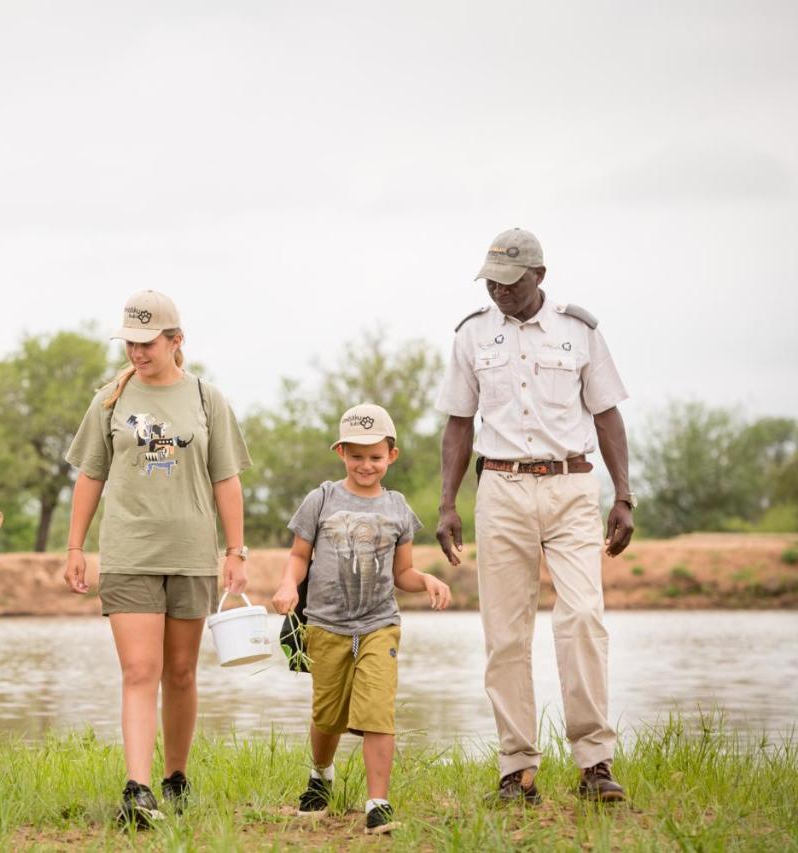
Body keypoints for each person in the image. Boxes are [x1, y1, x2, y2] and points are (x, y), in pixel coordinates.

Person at [435, 228, 635, 804]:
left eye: (509, 284)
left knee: (582, 620)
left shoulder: (580, 331)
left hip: (572, 487)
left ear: (539, 277)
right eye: (491, 283)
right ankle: (516, 769)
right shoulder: (473, 334)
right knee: (504, 632)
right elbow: (457, 422)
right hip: (499, 488)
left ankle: (595, 763)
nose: (499, 293)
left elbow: (607, 415)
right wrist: (448, 505)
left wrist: (623, 495)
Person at [62, 290, 252, 828]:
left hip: (192, 554)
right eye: (130, 343)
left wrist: (235, 550)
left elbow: (227, 479)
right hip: (128, 552)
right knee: (139, 670)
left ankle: (176, 777)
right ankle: (137, 789)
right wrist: (75, 547)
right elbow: (90, 476)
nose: (137, 352)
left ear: (175, 340)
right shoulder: (109, 400)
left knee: (183, 672)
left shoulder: (207, 398)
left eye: (147, 343)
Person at [272, 404, 451, 835]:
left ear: (392, 455)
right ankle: (320, 776)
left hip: (378, 624)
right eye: (356, 455)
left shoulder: (398, 507)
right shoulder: (322, 499)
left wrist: (425, 578)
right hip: (326, 624)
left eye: (375, 456)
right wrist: (287, 586)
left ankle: (378, 803)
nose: (365, 465)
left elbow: (401, 573)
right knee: (327, 716)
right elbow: (299, 556)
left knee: (377, 712)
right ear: (340, 452)